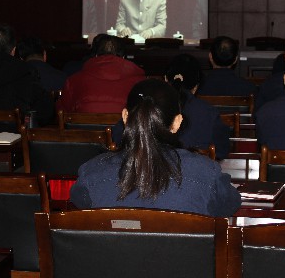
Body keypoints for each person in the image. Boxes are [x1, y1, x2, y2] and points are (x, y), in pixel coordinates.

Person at [70, 78, 241, 217]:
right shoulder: (206, 173)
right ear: (177, 123)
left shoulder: (91, 173)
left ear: (125, 117)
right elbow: (230, 205)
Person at [56, 35, 145, 113]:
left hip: (84, 127)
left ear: (95, 56)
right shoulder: (140, 83)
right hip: (126, 127)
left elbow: (62, 113)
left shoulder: (73, 81)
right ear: (123, 57)